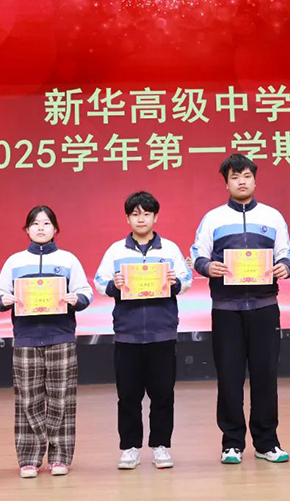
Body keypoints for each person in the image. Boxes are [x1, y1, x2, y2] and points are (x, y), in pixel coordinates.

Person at [190, 154, 290, 464]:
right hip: (226, 309)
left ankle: (266, 442)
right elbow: (197, 255)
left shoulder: (272, 217)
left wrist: (284, 267)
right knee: (229, 377)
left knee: (265, 376)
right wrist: (209, 267)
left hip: (265, 307)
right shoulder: (213, 218)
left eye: (246, 176)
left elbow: (286, 254)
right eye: (235, 177)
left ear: (255, 180)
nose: (242, 181)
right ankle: (232, 443)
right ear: (226, 184)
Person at [0, 205, 93, 478]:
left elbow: (85, 292)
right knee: (28, 398)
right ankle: (29, 459)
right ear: (27, 229)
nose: (40, 228)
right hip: (25, 338)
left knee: (62, 398)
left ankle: (59, 457)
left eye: (46, 223)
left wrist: (77, 298)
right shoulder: (15, 262)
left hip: (61, 337)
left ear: (55, 228)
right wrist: (3, 299)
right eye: (35, 223)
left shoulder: (68, 260)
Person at [94, 191, 192, 470]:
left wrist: (174, 282)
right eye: (135, 214)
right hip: (128, 333)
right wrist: (114, 284)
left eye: (146, 214)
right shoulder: (116, 251)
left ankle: (161, 446)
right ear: (127, 218)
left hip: (162, 332)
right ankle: (130, 448)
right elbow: (100, 282)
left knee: (163, 393)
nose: (141, 219)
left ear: (155, 217)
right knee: (128, 395)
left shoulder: (169, 249)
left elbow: (186, 279)